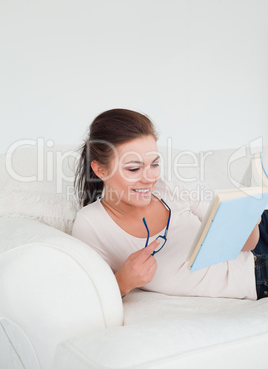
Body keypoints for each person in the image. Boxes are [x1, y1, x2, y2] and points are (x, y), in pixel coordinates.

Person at [72, 108, 265, 300]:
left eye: (154, 164)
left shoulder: (168, 188)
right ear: (100, 170)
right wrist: (123, 282)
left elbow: (245, 243)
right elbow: (87, 298)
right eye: (134, 168)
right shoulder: (91, 225)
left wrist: (249, 218)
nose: (150, 178)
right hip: (255, 274)